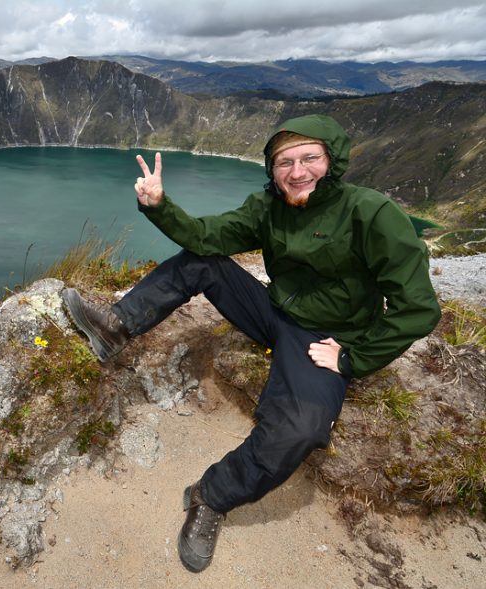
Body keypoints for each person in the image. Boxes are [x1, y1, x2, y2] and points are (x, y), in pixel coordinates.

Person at [61, 114, 441, 573]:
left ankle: (212, 497)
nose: (297, 172)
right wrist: (160, 206)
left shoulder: (373, 214)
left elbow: (418, 308)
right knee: (203, 261)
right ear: (272, 169)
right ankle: (116, 328)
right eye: (284, 162)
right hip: (274, 312)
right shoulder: (268, 206)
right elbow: (207, 237)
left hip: (324, 339)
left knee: (299, 430)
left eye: (310, 158)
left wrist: (352, 357)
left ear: (332, 160)